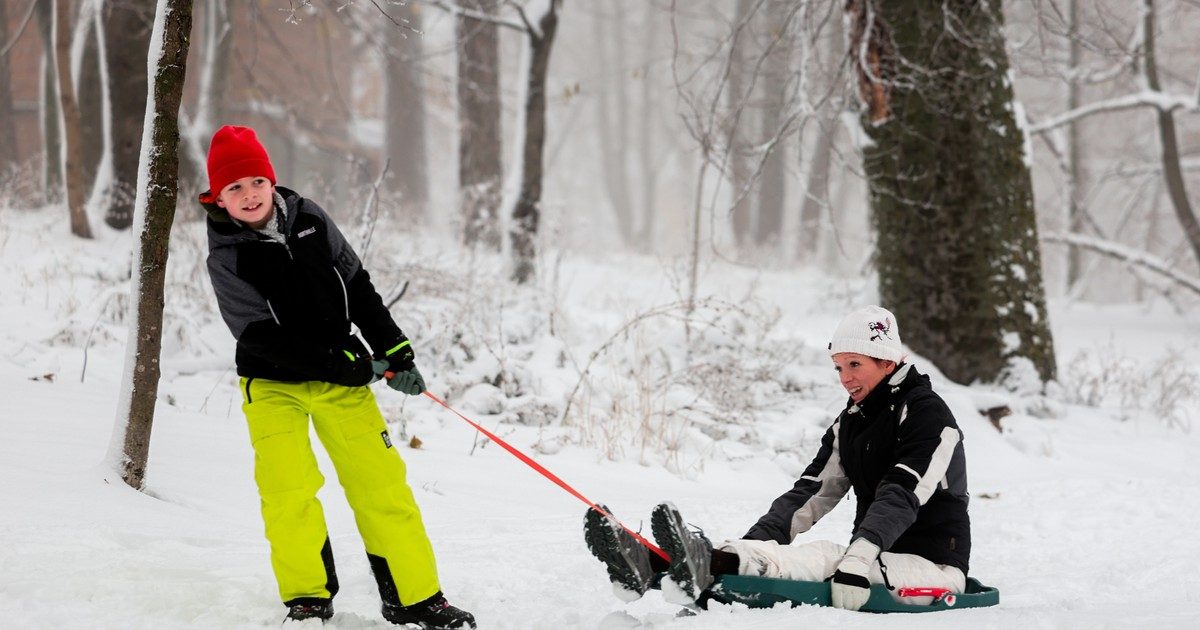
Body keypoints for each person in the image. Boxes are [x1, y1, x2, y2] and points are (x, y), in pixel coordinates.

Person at [201, 125, 475, 628]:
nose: (248, 194)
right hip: (272, 385)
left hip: (342, 381)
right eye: (234, 187)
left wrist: (394, 350)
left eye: (255, 181)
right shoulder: (226, 256)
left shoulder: (309, 219)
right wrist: (347, 366)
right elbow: (259, 337)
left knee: (381, 486)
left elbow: (357, 283)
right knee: (288, 490)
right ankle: (307, 597)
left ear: (271, 180)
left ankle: (415, 597)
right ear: (217, 196)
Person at [584, 305, 970, 611]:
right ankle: (654, 565)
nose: (845, 378)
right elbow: (811, 492)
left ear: (887, 363)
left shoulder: (927, 415)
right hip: (870, 559)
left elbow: (903, 491)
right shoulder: (852, 422)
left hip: (933, 568)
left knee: (822, 558)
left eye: (855, 365)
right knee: (791, 555)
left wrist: (860, 555)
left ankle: (706, 563)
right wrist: (752, 545)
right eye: (839, 367)